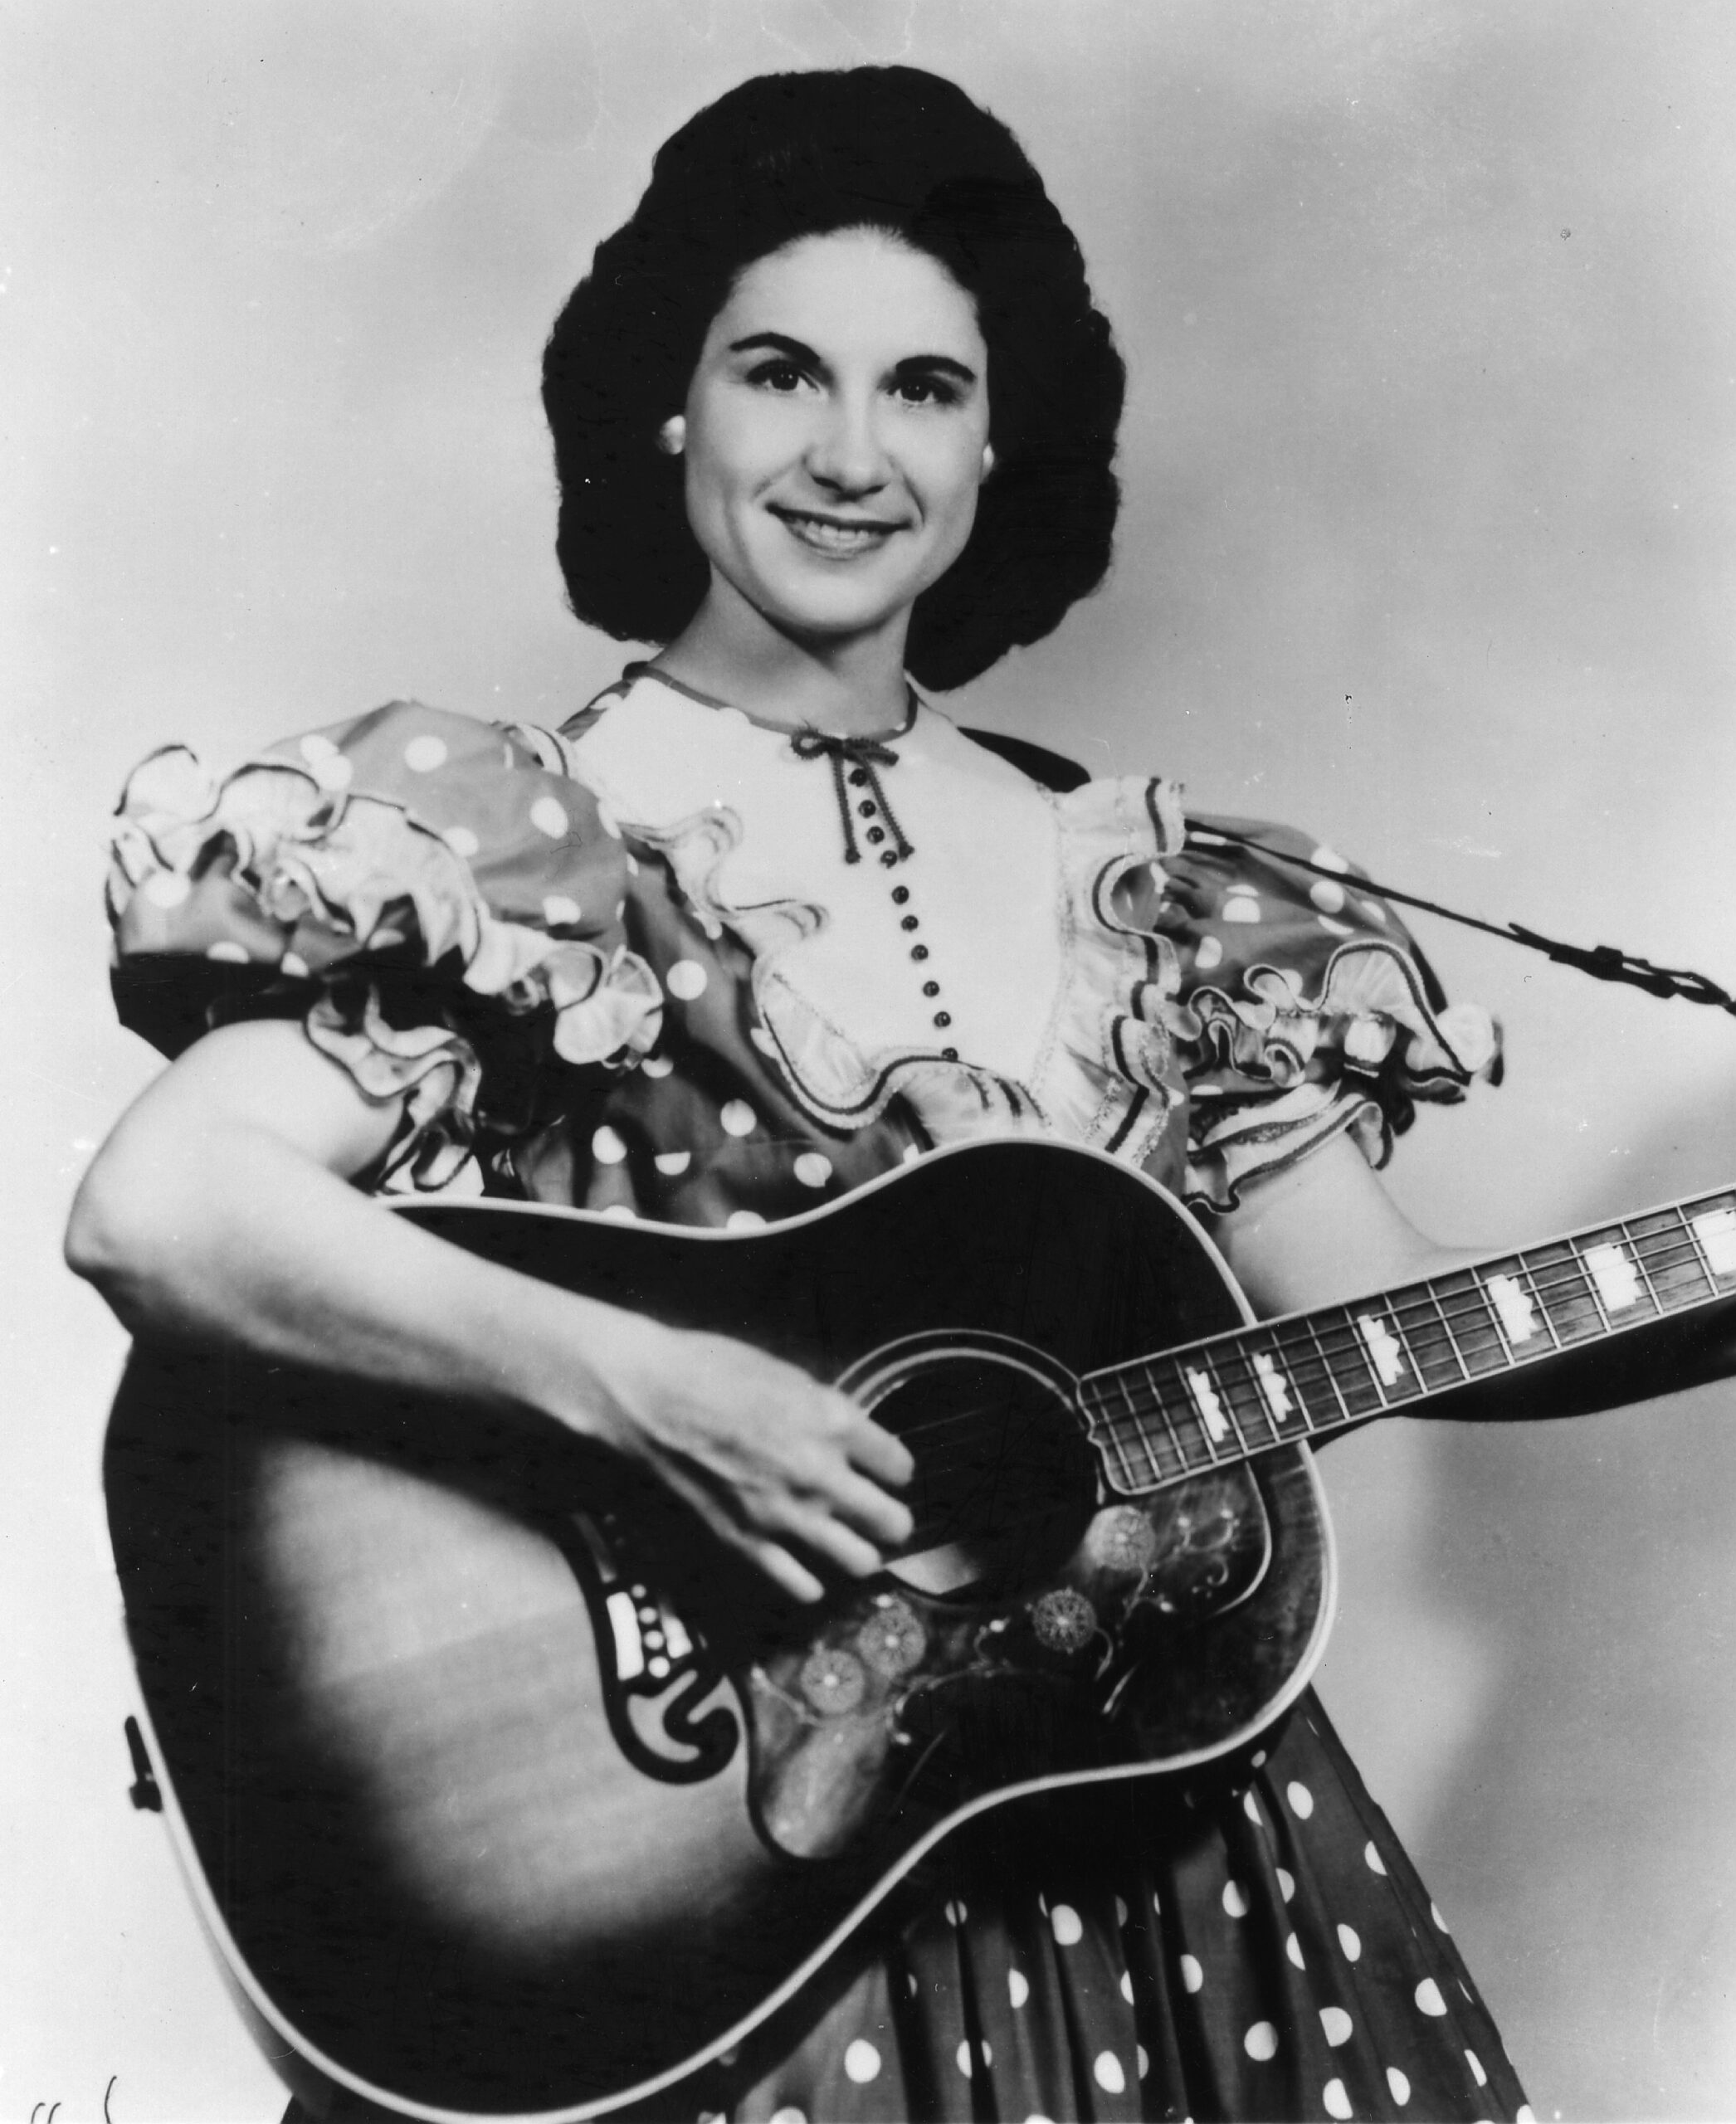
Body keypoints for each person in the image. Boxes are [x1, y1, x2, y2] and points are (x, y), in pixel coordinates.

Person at [71, 63, 1612, 2124]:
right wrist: (649, 1388)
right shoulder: (536, 837)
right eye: (781, 374)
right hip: (696, 1904)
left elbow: (1400, 1300)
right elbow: (164, 1210)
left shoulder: (1155, 891)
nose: (851, 453)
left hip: (1159, 1872)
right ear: (668, 407)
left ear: (995, 443)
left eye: (924, 390)